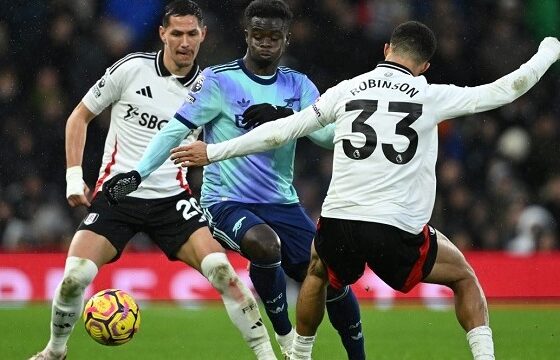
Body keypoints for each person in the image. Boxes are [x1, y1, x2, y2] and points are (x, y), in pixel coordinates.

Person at [166, 22, 560, 360]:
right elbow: (507, 89)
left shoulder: (347, 89)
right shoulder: (430, 94)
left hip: (339, 222)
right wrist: (548, 50)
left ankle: (299, 355)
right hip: (395, 227)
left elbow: (282, 131)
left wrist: (213, 151)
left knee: (318, 272)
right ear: (424, 66)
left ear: (386, 49)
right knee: (464, 277)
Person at [102, 0, 365, 359]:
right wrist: (138, 172)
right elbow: (173, 131)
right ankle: (286, 340)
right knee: (265, 245)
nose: (265, 42)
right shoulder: (219, 81)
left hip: (281, 202)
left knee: (331, 277)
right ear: (247, 35)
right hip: (226, 202)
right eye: (258, 34)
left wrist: (287, 116)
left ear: (285, 40)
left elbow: (324, 136)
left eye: (274, 36)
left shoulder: (298, 85)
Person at [29, 2, 276, 359]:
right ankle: (55, 351)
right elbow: (79, 117)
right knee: (73, 279)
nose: (184, 42)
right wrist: (73, 177)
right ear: (163, 34)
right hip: (118, 196)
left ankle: (267, 357)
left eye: (192, 33)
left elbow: (232, 144)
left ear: (203, 35)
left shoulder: (213, 88)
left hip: (172, 199)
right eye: (176, 33)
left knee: (225, 274)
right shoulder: (132, 69)